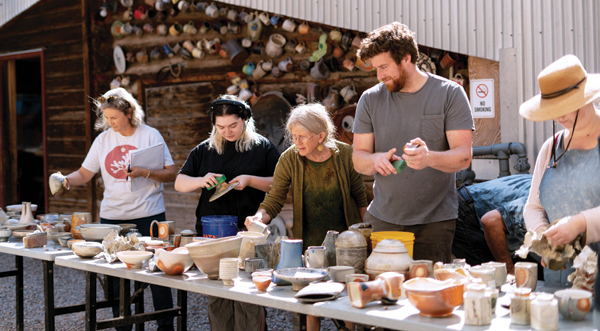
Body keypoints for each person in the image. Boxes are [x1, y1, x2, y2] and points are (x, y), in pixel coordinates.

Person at [52, 87, 177, 331]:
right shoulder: (103, 140)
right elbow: (85, 174)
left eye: (114, 118)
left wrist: (146, 172)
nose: (110, 123)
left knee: (158, 272)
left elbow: (171, 173)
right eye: (106, 118)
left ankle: (166, 325)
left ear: (129, 112)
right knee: (116, 277)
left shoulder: (150, 135)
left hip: (149, 215)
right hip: (112, 218)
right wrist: (66, 181)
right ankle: (123, 326)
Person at [352, 22, 474, 263]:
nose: (379, 75)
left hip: (435, 222)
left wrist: (429, 158)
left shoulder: (450, 94)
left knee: (427, 294)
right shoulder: (369, 100)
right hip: (383, 218)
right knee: (384, 294)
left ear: (406, 58)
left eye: (384, 66)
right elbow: (359, 159)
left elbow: (463, 156)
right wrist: (375, 160)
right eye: (375, 69)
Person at [245, 103, 368, 331]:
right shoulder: (289, 159)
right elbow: (274, 199)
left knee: (347, 299)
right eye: (293, 136)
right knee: (312, 302)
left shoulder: (345, 155)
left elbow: (360, 198)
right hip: (310, 242)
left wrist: (367, 237)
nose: (297, 142)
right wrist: (258, 217)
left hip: (346, 243)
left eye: (302, 136)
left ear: (321, 136)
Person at [174, 95, 279, 331]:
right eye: (220, 127)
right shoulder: (205, 149)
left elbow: (280, 184)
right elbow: (179, 183)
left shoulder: (261, 147)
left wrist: (250, 180)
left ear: (245, 119)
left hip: (248, 231)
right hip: (213, 232)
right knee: (219, 292)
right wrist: (200, 180)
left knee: (249, 294)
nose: (227, 132)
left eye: (233, 125)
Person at [520, 54, 600, 289]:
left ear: (588, 97)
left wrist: (580, 223)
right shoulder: (550, 148)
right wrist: (546, 239)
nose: (560, 116)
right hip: (560, 280)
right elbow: (533, 208)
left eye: (567, 107)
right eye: (554, 109)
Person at [452, 174, 534, 274]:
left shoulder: (548, 183)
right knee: (490, 279)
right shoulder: (538, 204)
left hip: (473, 206)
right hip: (467, 215)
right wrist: (509, 270)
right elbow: (491, 222)